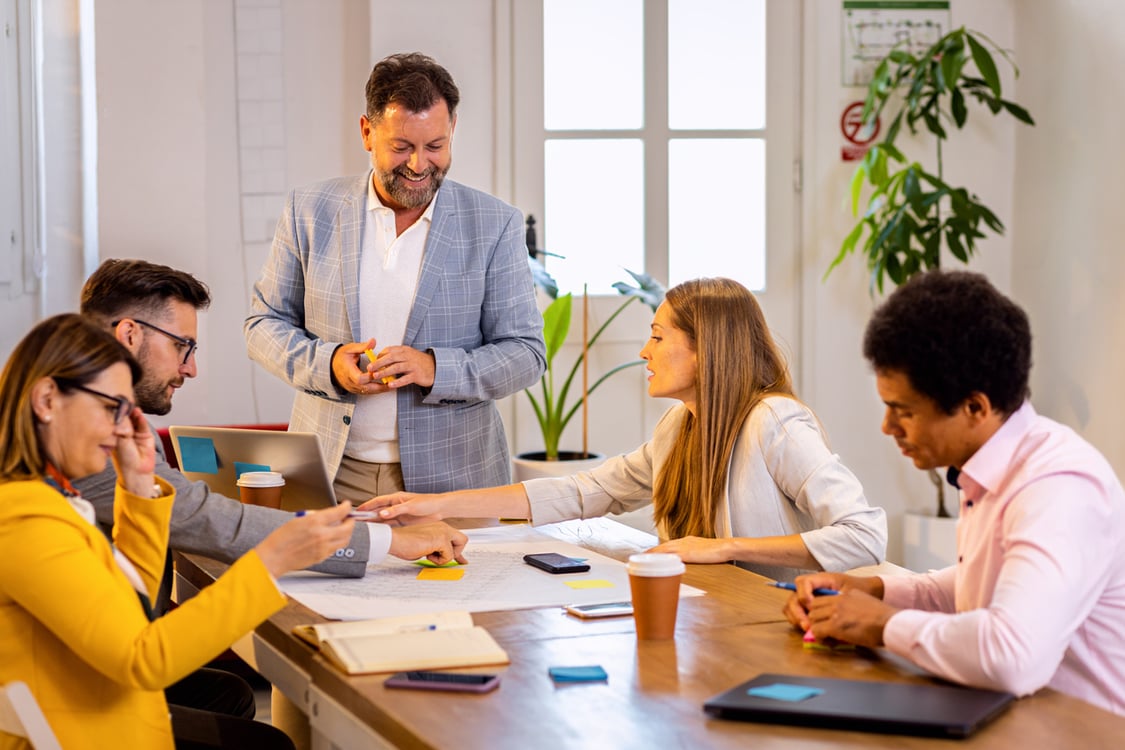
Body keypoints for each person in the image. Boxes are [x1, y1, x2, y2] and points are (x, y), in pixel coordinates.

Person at [73, 258, 470, 741]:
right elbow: (196, 516)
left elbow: (177, 511)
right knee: (270, 742)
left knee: (231, 694)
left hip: (101, 645)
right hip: (76, 680)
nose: (191, 368)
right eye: (183, 346)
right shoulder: (88, 431)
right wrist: (385, 541)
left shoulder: (107, 410)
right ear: (130, 334)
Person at [0, 314, 366, 749]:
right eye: (109, 407)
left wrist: (137, 493)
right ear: (46, 400)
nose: (121, 428)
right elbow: (146, 659)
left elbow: (128, 608)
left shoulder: (40, 499)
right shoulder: (25, 520)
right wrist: (270, 562)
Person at [367, 278, 887, 581]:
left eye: (658, 337)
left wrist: (724, 548)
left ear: (707, 348)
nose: (644, 351)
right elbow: (585, 490)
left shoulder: (774, 421)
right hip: (708, 613)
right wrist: (436, 505)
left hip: (773, 625)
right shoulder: (680, 426)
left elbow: (864, 537)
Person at [782, 270, 1125, 715]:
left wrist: (884, 625)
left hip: (1080, 730)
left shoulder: (1059, 486)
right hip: (1008, 716)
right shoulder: (997, 464)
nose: (888, 428)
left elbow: (1011, 656)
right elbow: (976, 584)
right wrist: (872, 590)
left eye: (902, 412)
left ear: (975, 407)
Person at [244, 52, 545, 501]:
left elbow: (525, 353)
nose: (420, 165)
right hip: (330, 471)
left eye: (435, 146)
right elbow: (262, 326)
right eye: (402, 147)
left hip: (456, 479)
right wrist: (327, 363)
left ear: (453, 130)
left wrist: (434, 368)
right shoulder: (309, 211)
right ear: (367, 132)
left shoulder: (495, 223)